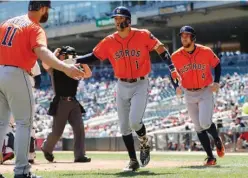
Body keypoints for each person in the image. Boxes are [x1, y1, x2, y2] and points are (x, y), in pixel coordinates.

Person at [75, 6, 180, 171]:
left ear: (128, 20)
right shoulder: (109, 40)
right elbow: (94, 57)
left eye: (120, 18)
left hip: (140, 83)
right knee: (124, 126)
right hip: (121, 84)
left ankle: (144, 142)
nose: (117, 21)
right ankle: (133, 160)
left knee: (134, 121)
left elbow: (161, 49)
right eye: (115, 19)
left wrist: (172, 68)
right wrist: (76, 59)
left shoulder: (143, 35)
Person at [0, 1, 85, 178]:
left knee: (0, 124)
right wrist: (65, 67)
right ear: (43, 8)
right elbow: (42, 52)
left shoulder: (8, 22)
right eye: (47, 10)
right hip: (17, 73)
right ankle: (22, 171)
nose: (47, 13)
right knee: (24, 123)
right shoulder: (34, 28)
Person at [171, 26, 225, 166]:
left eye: (187, 35)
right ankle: (210, 157)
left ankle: (217, 139)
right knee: (198, 127)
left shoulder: (205, 51)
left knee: (205, 123)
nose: (184, 38)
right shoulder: (176, 56)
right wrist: (176, 86)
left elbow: (217, 64)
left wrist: (217, 82)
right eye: (182, 36)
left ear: (193, 37)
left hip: (205, 90)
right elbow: (173, 73)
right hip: (189, 93)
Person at [41, 46, 92, 163]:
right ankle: (46, 148)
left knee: (79, 128)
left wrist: (81, 60)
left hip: (73, 102)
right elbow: (45, 64)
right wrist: (54, 54)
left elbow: (88, 74)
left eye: (71, 55)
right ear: (61, 55)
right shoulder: (55, 67)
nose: (68, 57)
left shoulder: (75, 67)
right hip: (61, 101)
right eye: (66, 54)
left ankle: (79, 155)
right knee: (57, 131)